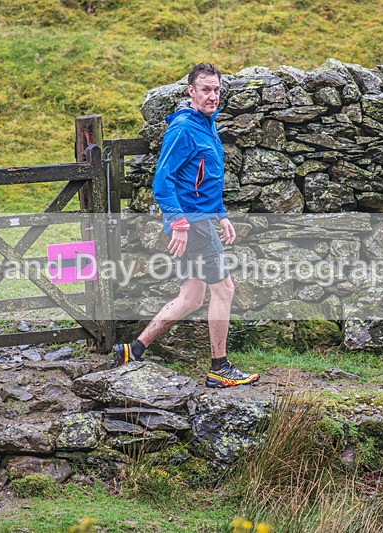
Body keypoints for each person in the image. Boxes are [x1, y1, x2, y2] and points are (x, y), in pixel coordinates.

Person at [112, 63, 260, 388]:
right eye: (205, 90)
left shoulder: (207, 124)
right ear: (191, 91)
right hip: (192, 223)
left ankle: (133, 350)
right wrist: (179, 223)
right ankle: (219, 368)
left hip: (201, 219)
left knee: (191, 297)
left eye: (216, 90)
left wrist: (221, 214)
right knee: (224, 289)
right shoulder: (183, 128)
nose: (212, 96)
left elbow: (204, 179)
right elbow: (162, 181)